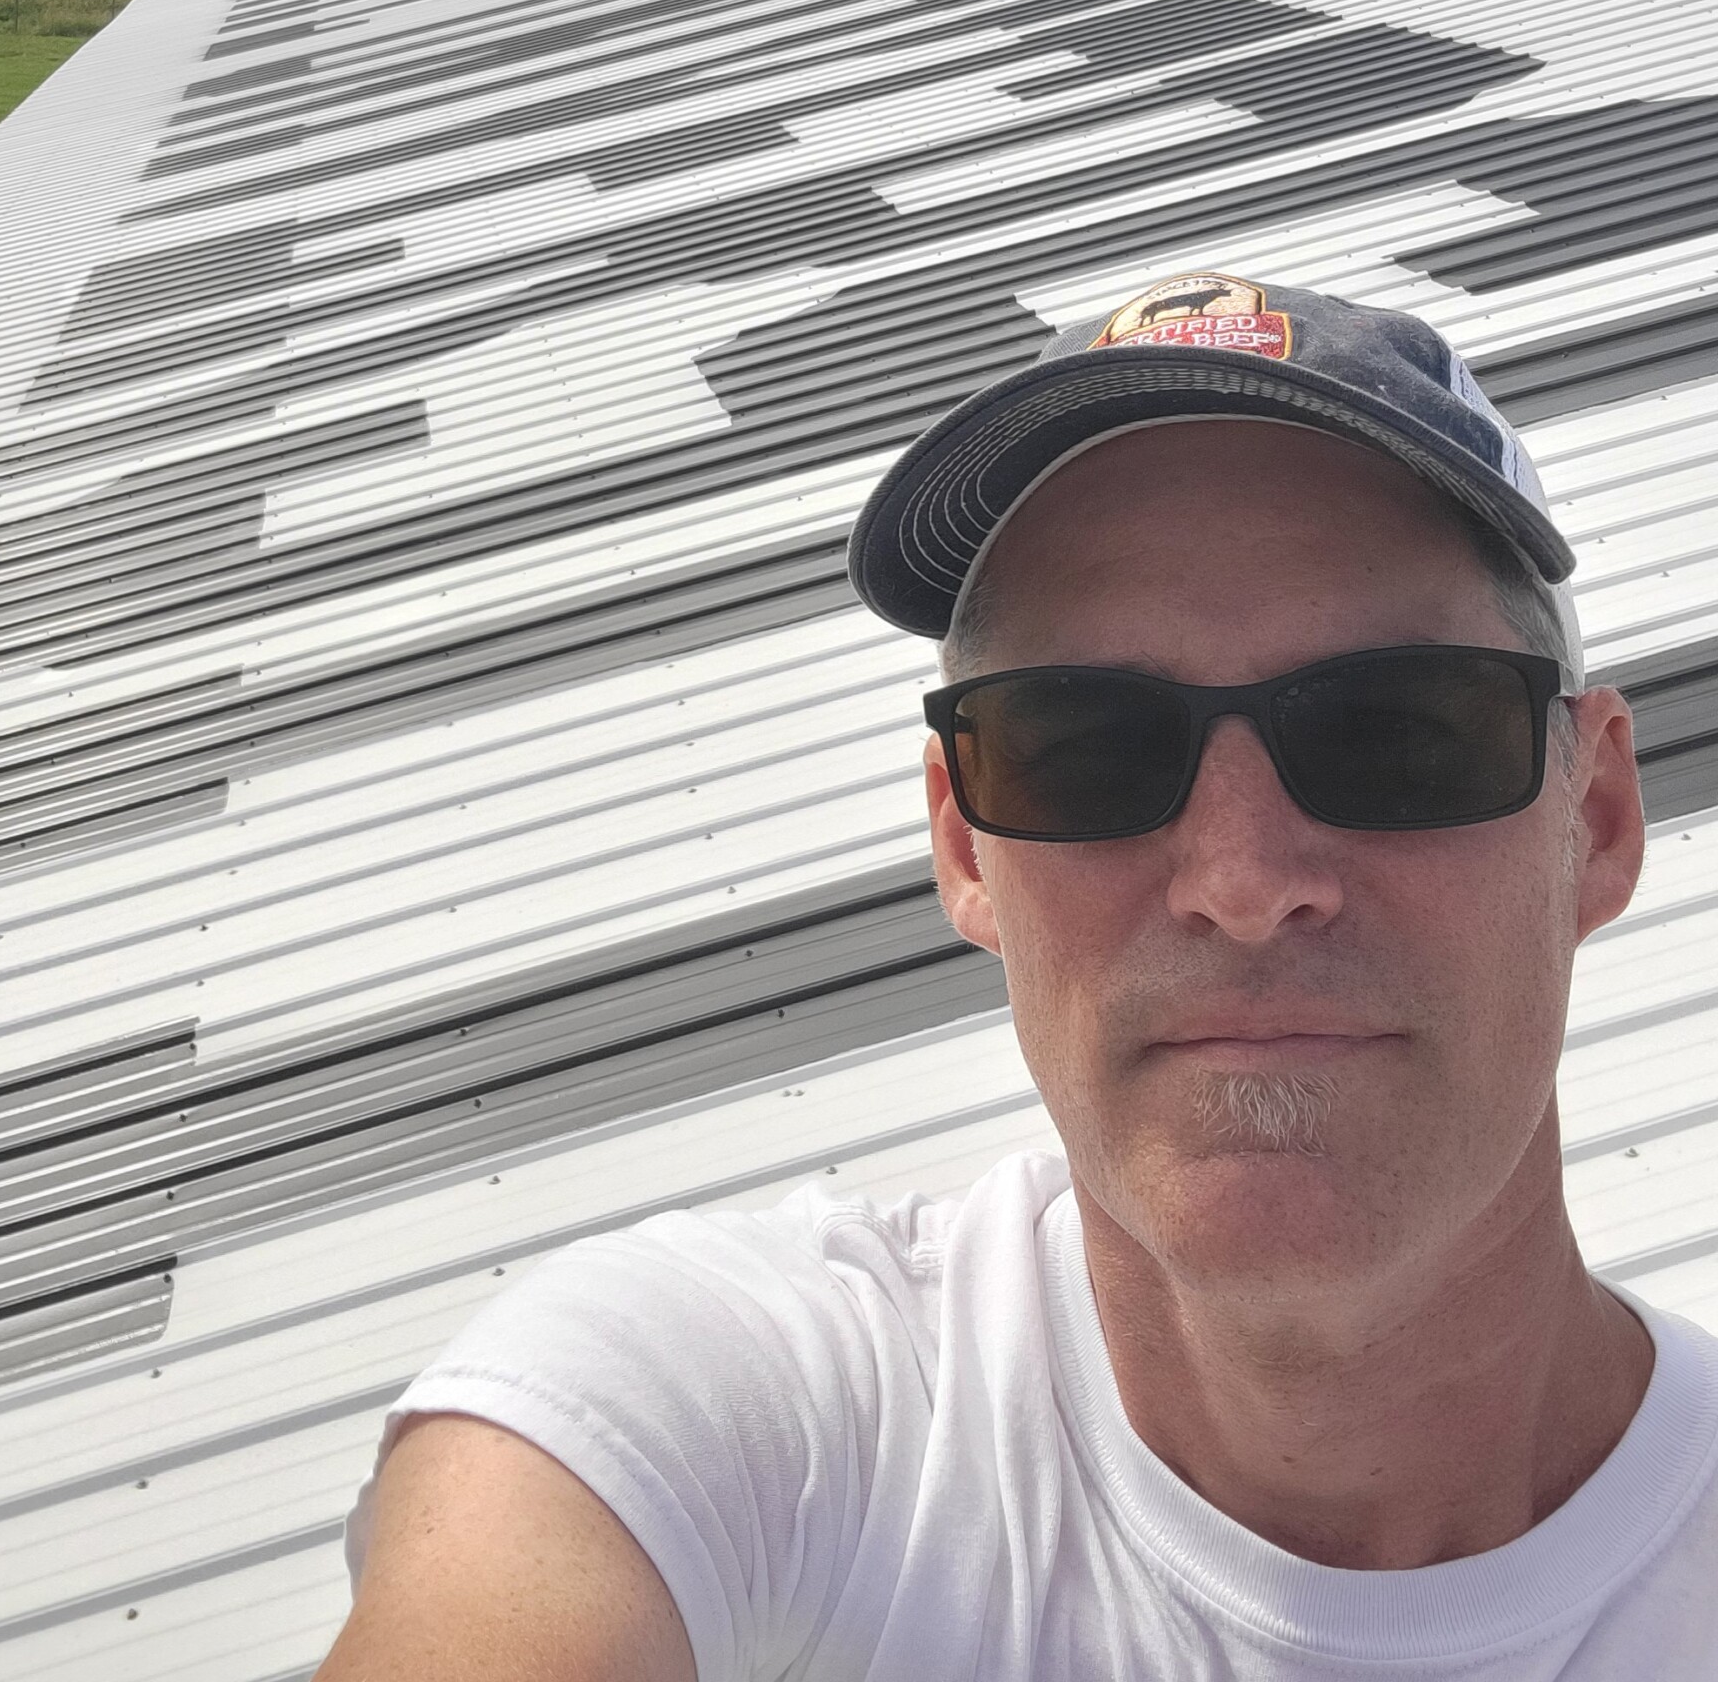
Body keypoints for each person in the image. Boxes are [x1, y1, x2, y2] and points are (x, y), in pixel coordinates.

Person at [323, 271, 1718, 1681]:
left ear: (1594, 820)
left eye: (1399, 730)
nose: (1240, 881)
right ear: (964, 845)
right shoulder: (727, 1413)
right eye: (1082, 747)